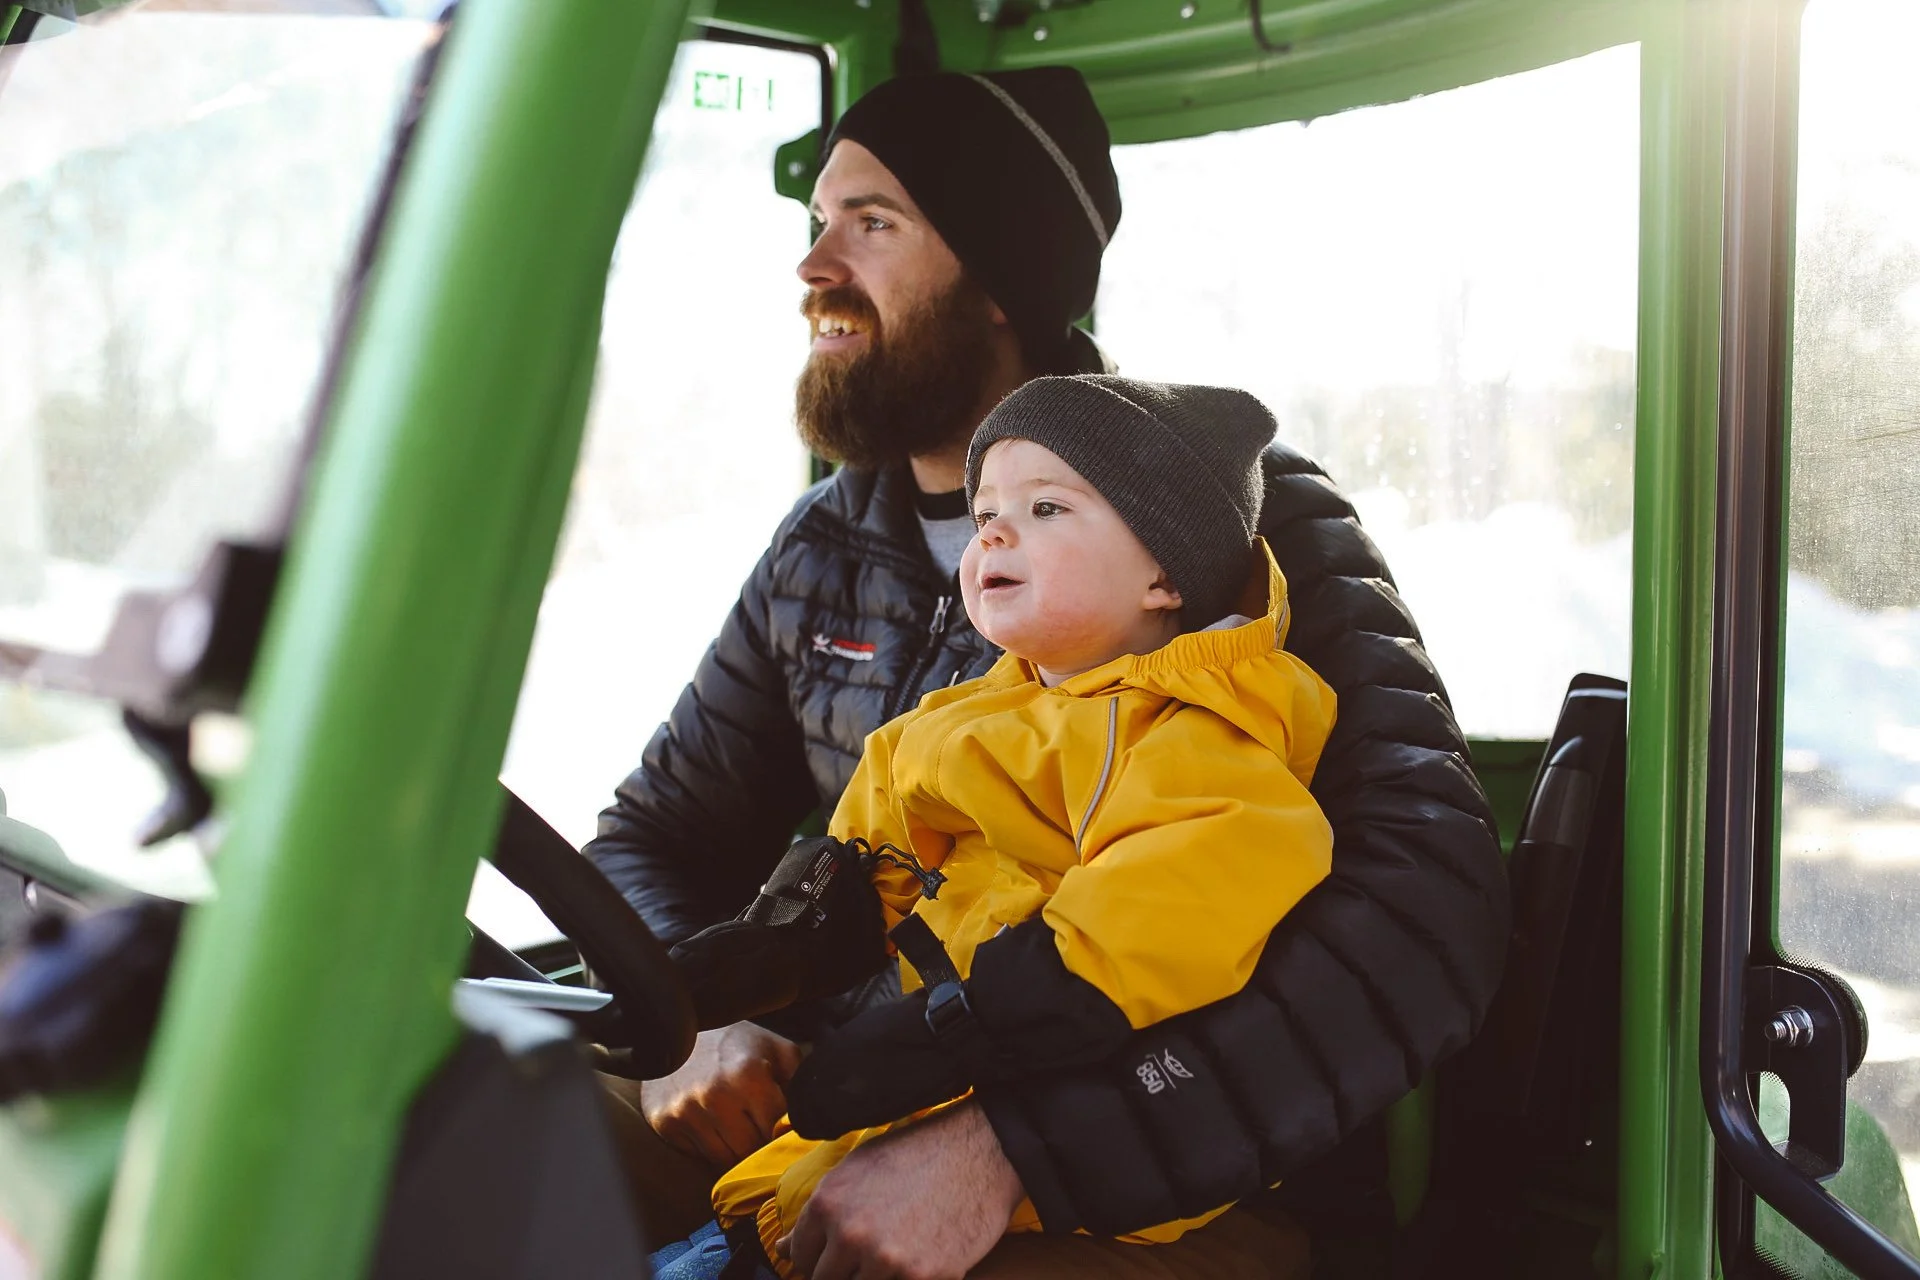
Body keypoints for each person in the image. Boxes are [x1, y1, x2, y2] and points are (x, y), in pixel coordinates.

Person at [589, 65, 1508, 1280]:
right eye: (819, 222)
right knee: (463, 1100)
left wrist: (1013, 1149)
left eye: (872, 223)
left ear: (999, 281)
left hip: (1161, 1173)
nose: (814, 267)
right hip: (840, 1101)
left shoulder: (1224, 517)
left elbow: (1424, 922)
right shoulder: (825, 541)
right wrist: (695, 1022)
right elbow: (653, 833)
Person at [648, 376, 1337, 1279]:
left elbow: (1142, 937)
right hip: (925, 1095)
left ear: (1165, 576)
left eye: (1045, 509)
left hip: (1076, 1143)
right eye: (985, 515)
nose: (995, 535)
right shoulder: (964, 716)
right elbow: (872, 856)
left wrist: (960, 1031)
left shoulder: (1204, 743)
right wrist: (781, 944)